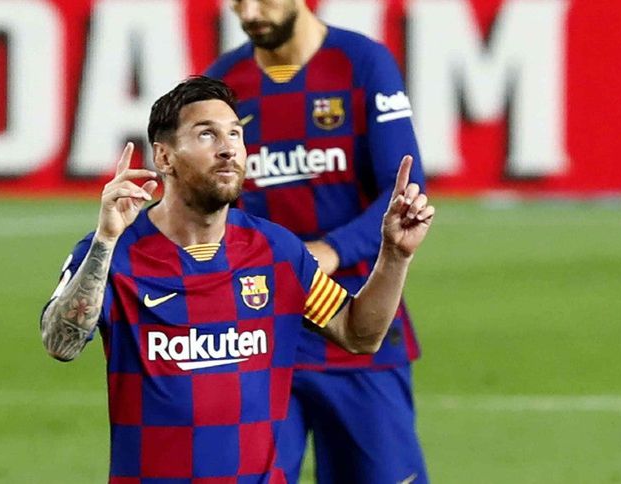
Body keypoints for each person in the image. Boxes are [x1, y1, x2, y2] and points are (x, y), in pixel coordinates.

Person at [39, 76, 433, 482]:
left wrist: (395, 255)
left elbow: (358, 334)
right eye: (206, 134)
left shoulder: (277, 251)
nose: (228, 148)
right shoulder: (114, 252)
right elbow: (60, 343)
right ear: (164, 157)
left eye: (235, 134)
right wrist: (105, 241)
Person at [205, 1, 428, 482]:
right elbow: (203, 205)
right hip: (260, 333)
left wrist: (329, 252)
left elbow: (403, 191)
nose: (250, 12)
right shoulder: (222, 85)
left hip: (357, 323)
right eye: (238, 1)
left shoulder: (361, 62)